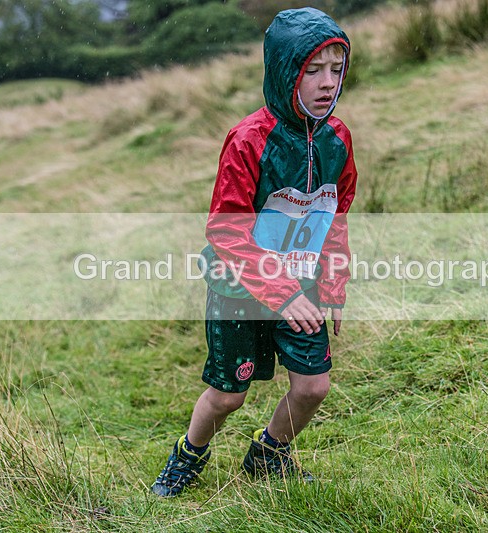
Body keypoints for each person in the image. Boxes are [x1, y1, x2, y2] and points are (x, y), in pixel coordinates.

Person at [151, 7, 357, 497]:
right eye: (313, 70)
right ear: (285, 70)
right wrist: (279, 292)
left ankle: (268, 455)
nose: (328, 83)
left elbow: (336, 216)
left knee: (313, 387)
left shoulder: (338, 139)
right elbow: (226, 230)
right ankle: (188, 456)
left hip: (301, 283)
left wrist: (332, 284)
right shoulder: (248, 140)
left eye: (337, 69)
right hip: (239, 285)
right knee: (228, 395)